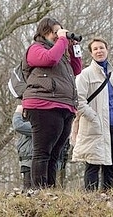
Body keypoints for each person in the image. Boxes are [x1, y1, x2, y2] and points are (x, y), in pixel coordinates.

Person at [22, 17, 82, 189]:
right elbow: (49, 59)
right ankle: (39, 192)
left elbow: (76, 69)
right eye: (55, 32)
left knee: (56, 153)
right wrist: (62, 40)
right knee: (42, 152)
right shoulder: (35, 49)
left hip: (64, 106)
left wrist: (73, 46)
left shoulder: (61, 55)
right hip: (43, 105)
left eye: (59, 32)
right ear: (44, 32)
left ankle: (49, 190)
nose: (58, 36)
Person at [71, 37, 113, 192]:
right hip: (94, 126)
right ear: (91, 53)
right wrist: (94, 118)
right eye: (95, 49)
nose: (99, 51)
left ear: (107, 50)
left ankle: (108, 195)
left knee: (111, 163)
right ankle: (90, 198)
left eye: (101, 48)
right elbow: (78, 101)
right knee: (93, 163)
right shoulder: (85, 74)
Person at [12, 105, 33, 190]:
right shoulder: (29, 124)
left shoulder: (36, 124)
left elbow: (18, 125)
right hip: (27, 163)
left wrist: (18, 112)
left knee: (30, 191)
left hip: (31, 164)